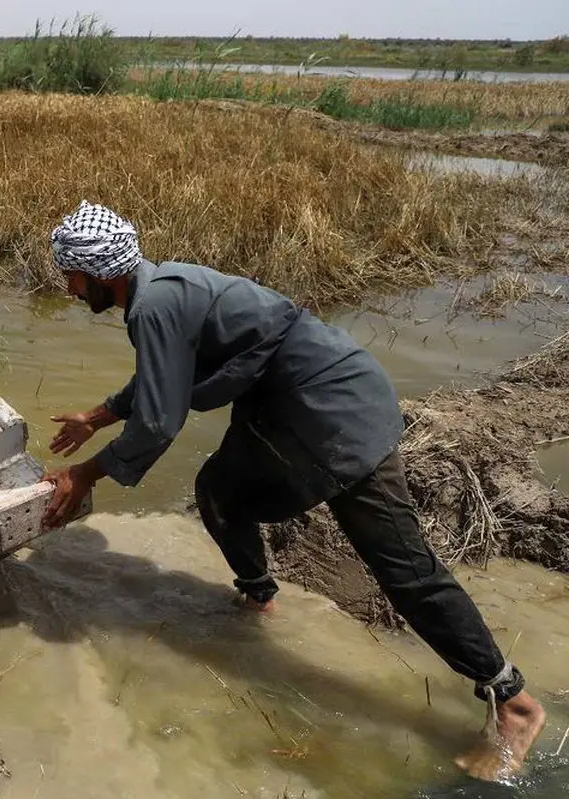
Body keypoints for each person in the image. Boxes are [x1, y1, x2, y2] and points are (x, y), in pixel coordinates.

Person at [38, 200, 546, 782]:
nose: (70, 289)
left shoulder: (154, 305)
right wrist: (96, 416)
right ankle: (258, 598)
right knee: (218, 492)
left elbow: (157, 421)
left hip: (330, 414)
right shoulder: (163, 290)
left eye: (71, 276)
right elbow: (163, 378)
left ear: (100, 271)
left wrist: (84, 476)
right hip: (296, 406)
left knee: (402, 568)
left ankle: (512, 700)